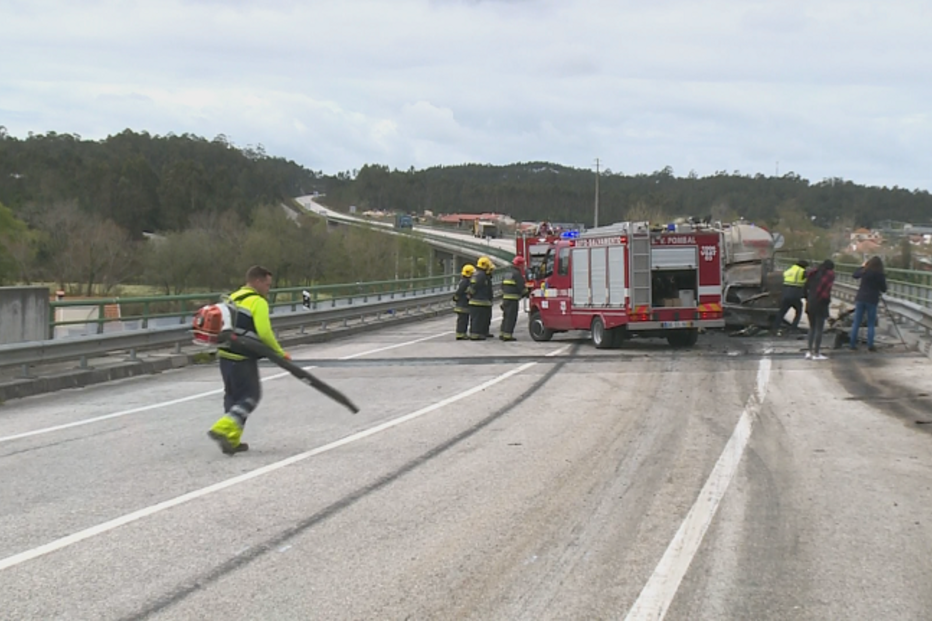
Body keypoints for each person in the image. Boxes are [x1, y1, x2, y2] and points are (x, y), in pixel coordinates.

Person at [208, 265, 290, 455]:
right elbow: (265, 333)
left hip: (225, 355)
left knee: (232, 397)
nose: (268, 289)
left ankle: (232, 439)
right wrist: (279, 352)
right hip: (242, 357)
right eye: (267, 285)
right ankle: (222, 428)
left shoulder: (233, 298)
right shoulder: (257, 302)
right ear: (258, 282)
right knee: (251, 396)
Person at [849, 256, 888, 352]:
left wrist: (862, 267)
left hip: (861, 298)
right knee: (871, 323)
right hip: (872, 299)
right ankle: (870, 345)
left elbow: (854, 275)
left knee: (856, 322)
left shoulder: (865, 272)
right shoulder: (879, 274)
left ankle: (852, 344)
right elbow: (884, 289)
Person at [804, 259, 835, 360]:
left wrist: (807, 298)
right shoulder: (829, 275)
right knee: (819, 329)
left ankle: (809, 352)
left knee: (812, 328)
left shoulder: (813, 273)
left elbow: (805, 287)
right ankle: (816, 353)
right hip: (820, 303)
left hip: (811, 302)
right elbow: (826, 291)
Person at [773, 259, 809, 334]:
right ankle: (793, 328)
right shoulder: (802, 271)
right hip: (795, 295)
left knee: (782, 312)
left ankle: (775, 327)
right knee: (799, 310)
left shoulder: (789, 270)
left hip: (785, 295)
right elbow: (807, 283)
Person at [500, 255, 529, 341]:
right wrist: (528, 293)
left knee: (505, 317)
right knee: (511, 317)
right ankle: (508, 335)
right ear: (519, 265)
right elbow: (522, 287)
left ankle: (502, 333)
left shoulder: (507, 273)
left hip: (505, 299)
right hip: (513, 300)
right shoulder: (517, 274)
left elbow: (502, 286)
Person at [467, 256, 494, 339]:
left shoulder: (478, 274)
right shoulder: (481, 275)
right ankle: (475, 335)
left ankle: (482, 333)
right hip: (479, 301)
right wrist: (470, 294)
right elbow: (474, 287)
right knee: (478, 319)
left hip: (481, 301)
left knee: (482, 318)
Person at [453, 264, 475, 340]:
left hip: (462, 303)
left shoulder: (464, 281)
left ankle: (462, 333)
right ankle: (461, 334)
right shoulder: (465, 282)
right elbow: (459, 292)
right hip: (462, 304)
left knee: (463, 320)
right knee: (463, 320)